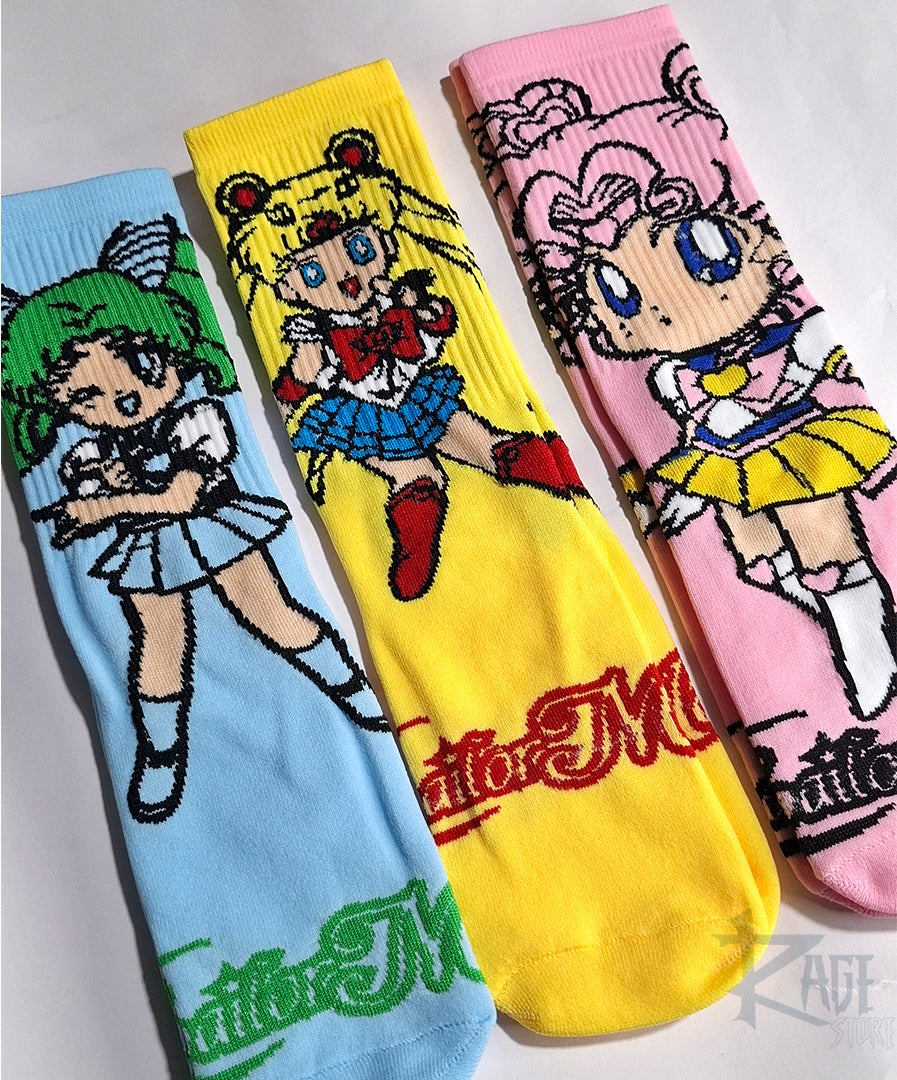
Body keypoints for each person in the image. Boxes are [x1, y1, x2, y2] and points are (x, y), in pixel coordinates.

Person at [491, 59, 897, 719]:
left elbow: (802, 360)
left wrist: (796, 370)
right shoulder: (665, 377)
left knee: (813, 520)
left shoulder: (781, 338)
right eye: (617, 294)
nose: (658, 311)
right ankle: (837, 608)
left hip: (795, 436)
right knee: (752, 551)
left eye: (701, 254)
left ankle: (856, 613)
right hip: (722, 459)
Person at [2, 215, 387, 825]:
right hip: (147, 547)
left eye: (139, 366)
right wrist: (96, 497)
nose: (121, 400)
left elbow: (183, 496)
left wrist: (104, 506)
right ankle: (161, 752)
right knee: (157, 643)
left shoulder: (197, 418)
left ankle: (346, 687)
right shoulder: (90, 453)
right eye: (85, 398)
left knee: (270, 612)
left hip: (215, 523)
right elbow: (95, 489)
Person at [214, 130, 585, 602]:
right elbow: (292, 388)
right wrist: (303, 372)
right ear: (287, 287)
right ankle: (416, 544)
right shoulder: (311, 336)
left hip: (420, 392)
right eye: (313, 272)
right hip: (362, 414)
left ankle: (543, 470)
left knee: (481, 439)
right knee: (412, 475)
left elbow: (440, 322)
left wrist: (424, 313)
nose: (345, 277)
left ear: (385, 246)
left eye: (360, 251)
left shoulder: (396, 297)